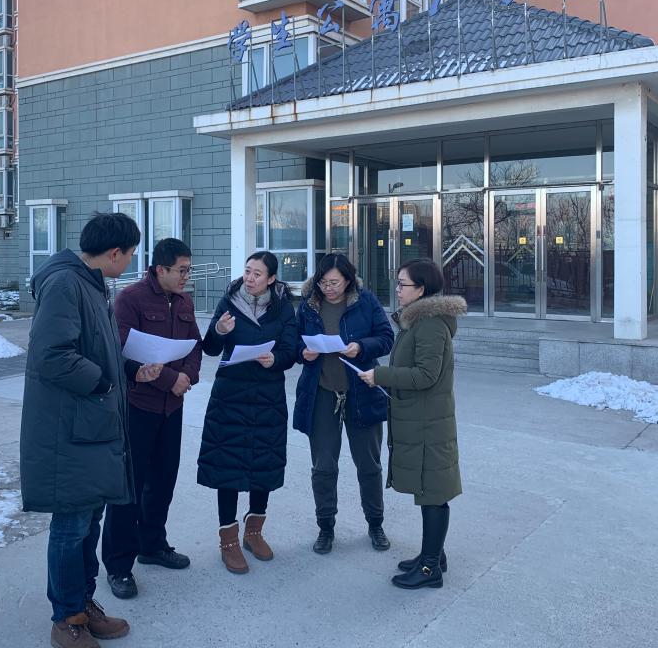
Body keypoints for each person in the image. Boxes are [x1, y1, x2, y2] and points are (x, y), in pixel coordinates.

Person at [20, 212, 162, 648]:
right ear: (114, 252)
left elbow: (97, 348)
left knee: (88, 521)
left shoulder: (90, 283)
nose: (132, 261)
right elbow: (52, 355)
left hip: (92, 427)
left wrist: (128, 372)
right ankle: (66, 618)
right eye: (131, 253)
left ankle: (83, 603)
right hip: (70, 429)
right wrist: (102, 382)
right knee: (71, 525)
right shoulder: (66, 283)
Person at [102, 238, 202, 600]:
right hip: (138, 406)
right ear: (160, 269)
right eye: (181, 270)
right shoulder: (130, 299)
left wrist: (187, 376)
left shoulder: (184, 301)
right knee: (129, 488)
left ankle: (153, 544)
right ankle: (118, 565)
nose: (186, 277)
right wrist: (169, 379)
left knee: (162, 481)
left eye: (189, 270)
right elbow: (121, 350)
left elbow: (194, 345)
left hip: (171, 408)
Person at [357, 258, 466, 591]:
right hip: (421, 419)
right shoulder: (416, 321)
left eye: (403, 284)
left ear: (421, 289)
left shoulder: (430, 324)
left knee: (432, 493)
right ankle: (433, 555)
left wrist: (381, 376)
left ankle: (430, 569)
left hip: (428, 424)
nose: (398, 289)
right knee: (428, 491)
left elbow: (426, 375)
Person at [197, 250, 298, 574]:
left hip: (267, 397)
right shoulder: (229, 302)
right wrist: (220, 331)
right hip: (230, 395)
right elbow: (211, 348)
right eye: (247, 271)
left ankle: (254, 532)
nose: (250, 278)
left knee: (263, 462)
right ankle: (228, 541)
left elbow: (291, 349)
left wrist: (276, 359)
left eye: (257, 274)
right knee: (227, 465)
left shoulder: (283, 308)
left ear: (271, 278)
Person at [294, 253, 394, 555]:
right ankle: (325, 527)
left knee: (368, 464)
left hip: (361, 390)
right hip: (321, 392)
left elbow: (386, 337)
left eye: (335, 283)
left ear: (348, 280)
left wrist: (361, 347)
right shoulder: (309, 304)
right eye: (323, 283)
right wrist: (303, 353)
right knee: (323, 466)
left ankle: (375, 523)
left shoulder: (365, 301)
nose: (328, 289)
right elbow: (294, 342)